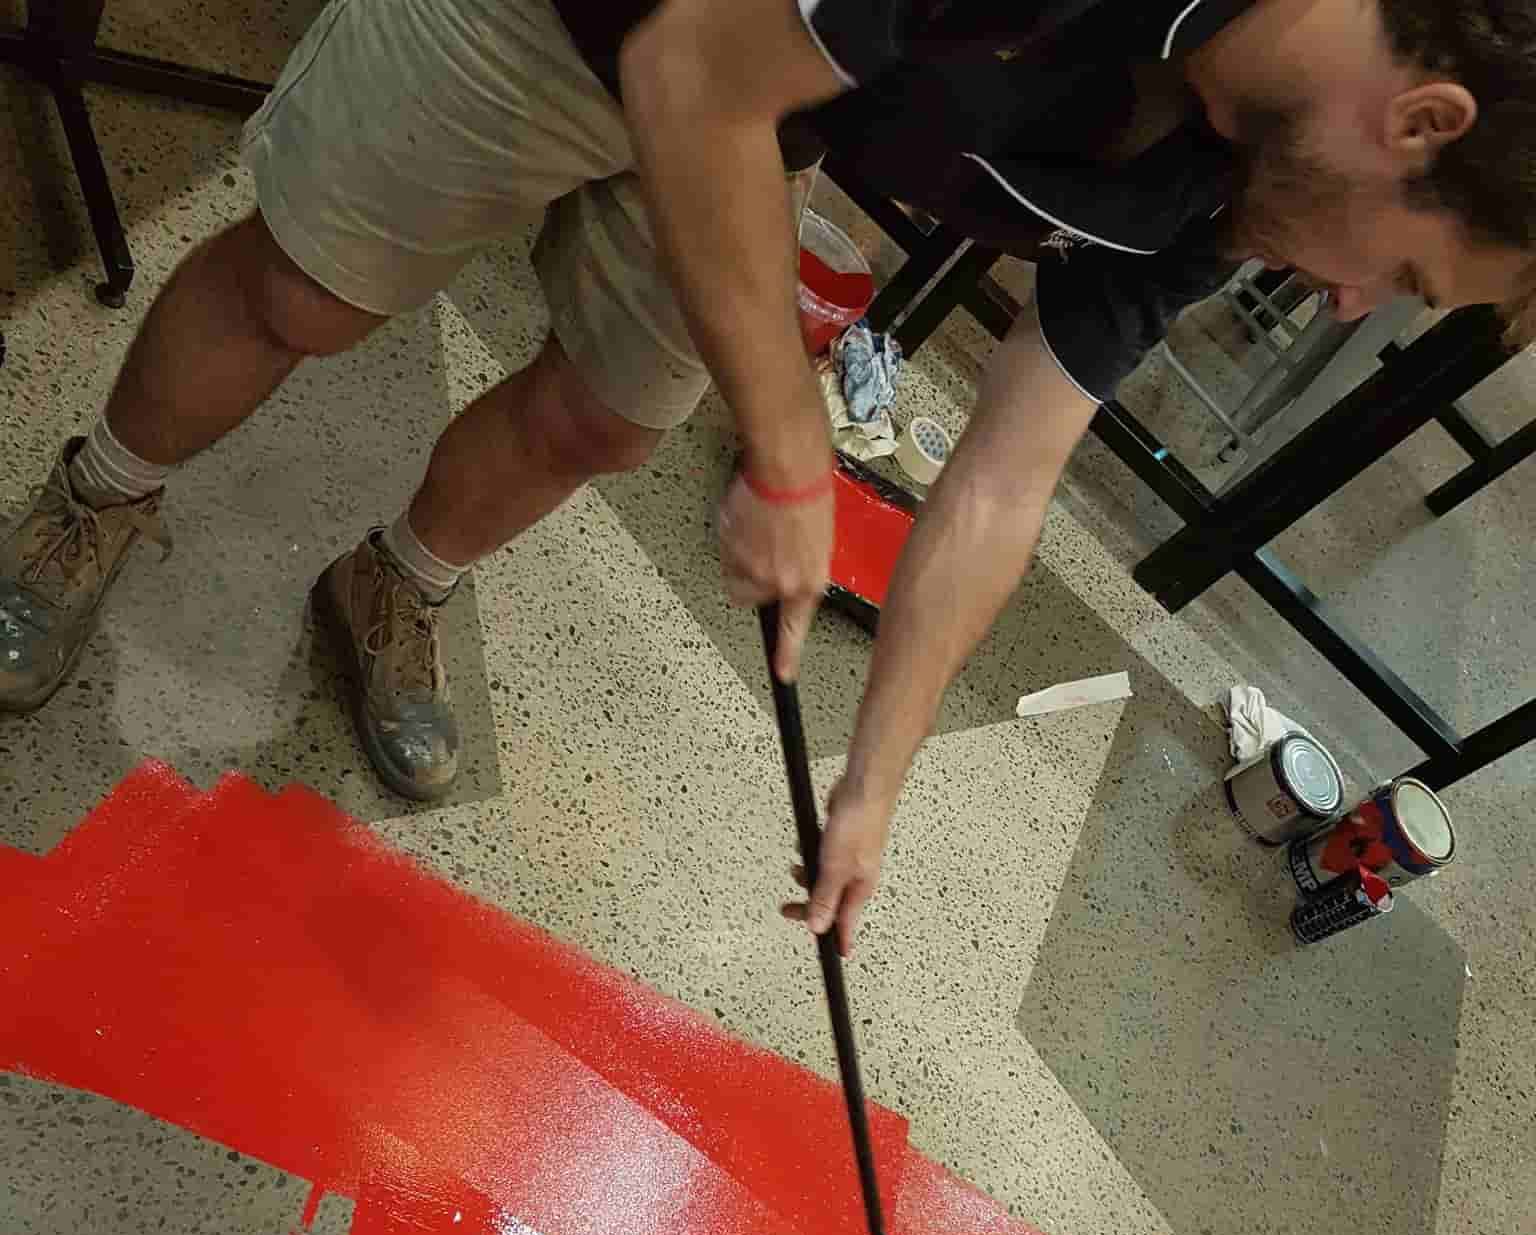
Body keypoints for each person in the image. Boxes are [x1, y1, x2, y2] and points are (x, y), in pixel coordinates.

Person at [2, 0, 1533, 948]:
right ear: (1420, 122)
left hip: (765, 98)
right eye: (1402, 272)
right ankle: (101, 488)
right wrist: (793, 447)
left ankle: (394, 581)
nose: (1347, 306)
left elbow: (1003, 481)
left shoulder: (1226, 181)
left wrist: (873, 785)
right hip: (607, 21)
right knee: (310, 295)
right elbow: (687, 64)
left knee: (607, 413)